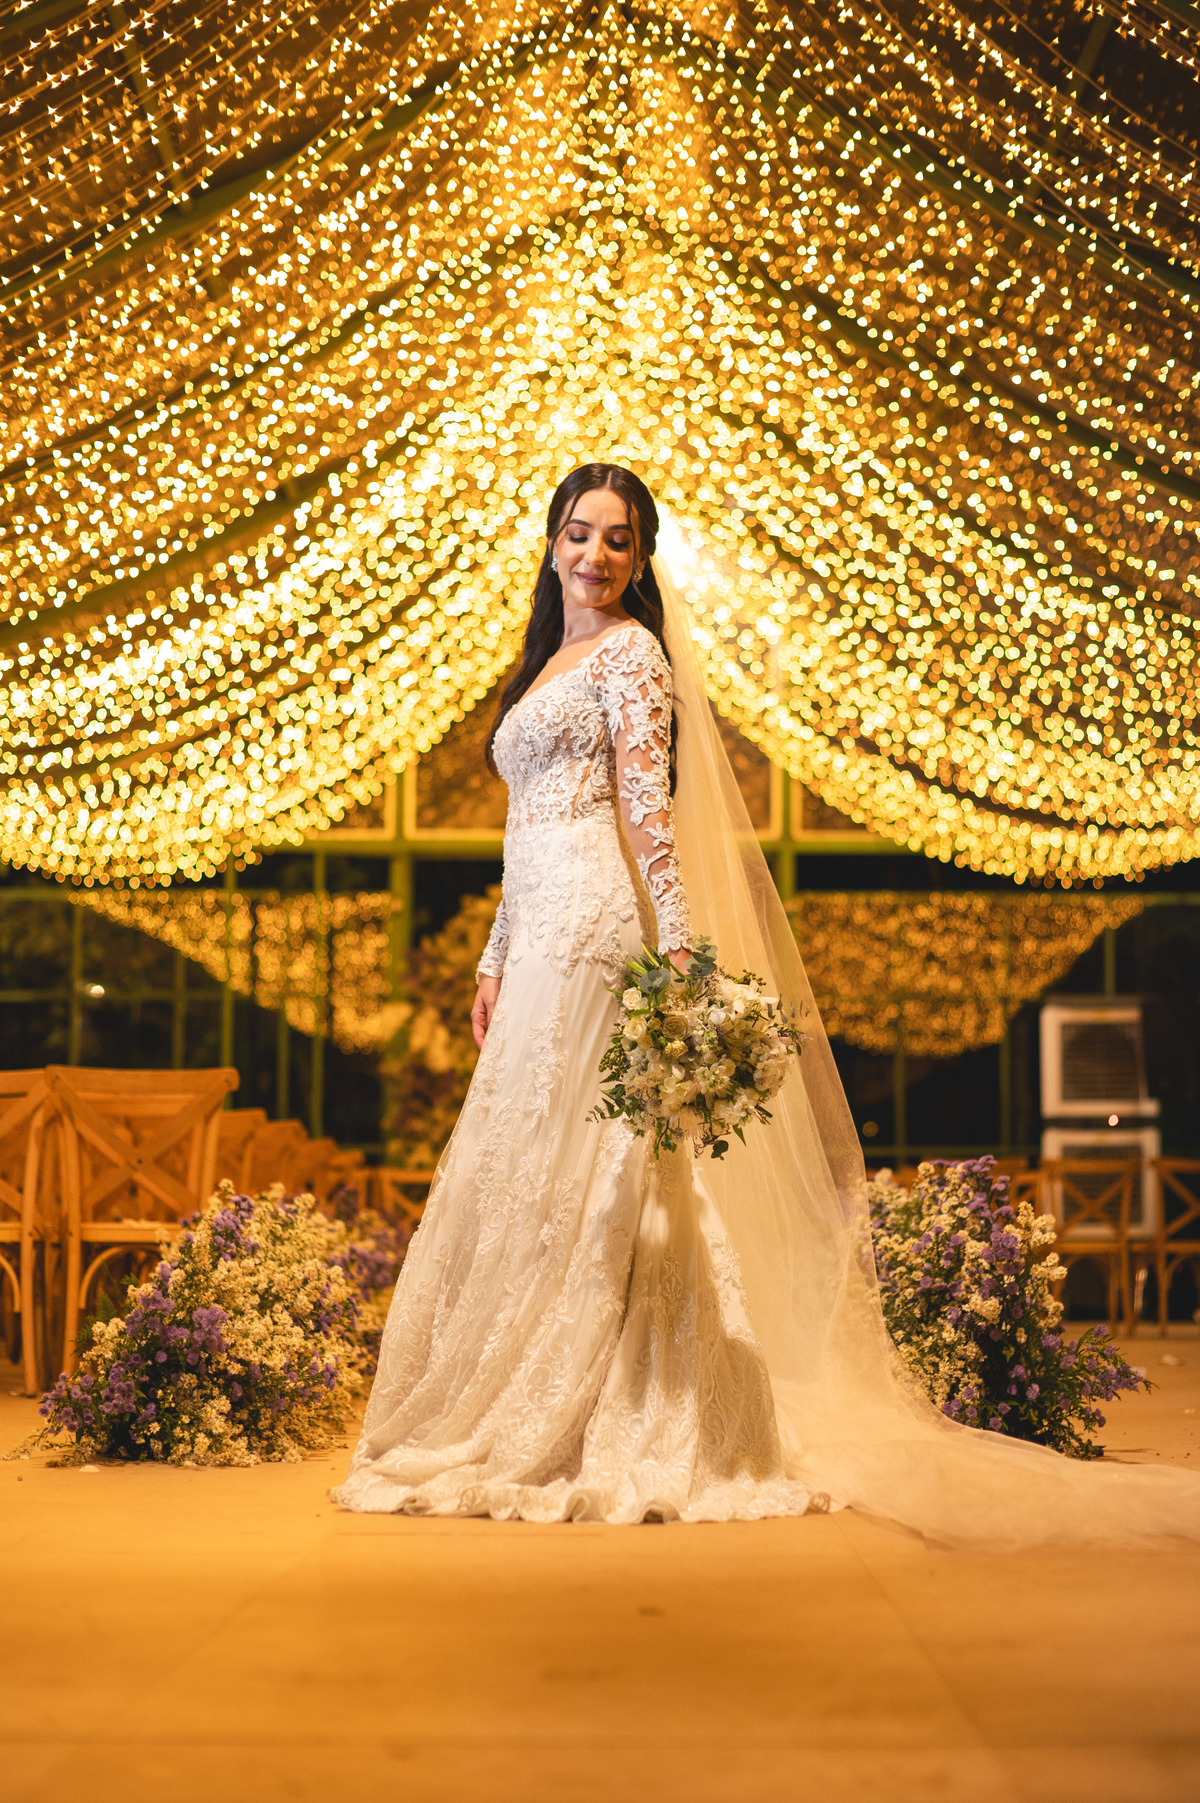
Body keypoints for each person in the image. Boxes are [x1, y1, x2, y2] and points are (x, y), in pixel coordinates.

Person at [335, 464, 1200, 1545]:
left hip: (603, 928)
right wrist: (492, 958)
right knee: (526, 1156)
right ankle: (517, 1389)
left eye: (617, 539)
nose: (595, 555)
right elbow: (522, 836)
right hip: (539, 930)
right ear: (551, 545)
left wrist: (683, 958)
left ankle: (626, 1405)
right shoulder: (544, 661)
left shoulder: (634, 656)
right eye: (578, 533)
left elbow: (648, 809)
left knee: (607, 1163)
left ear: (641, 558)